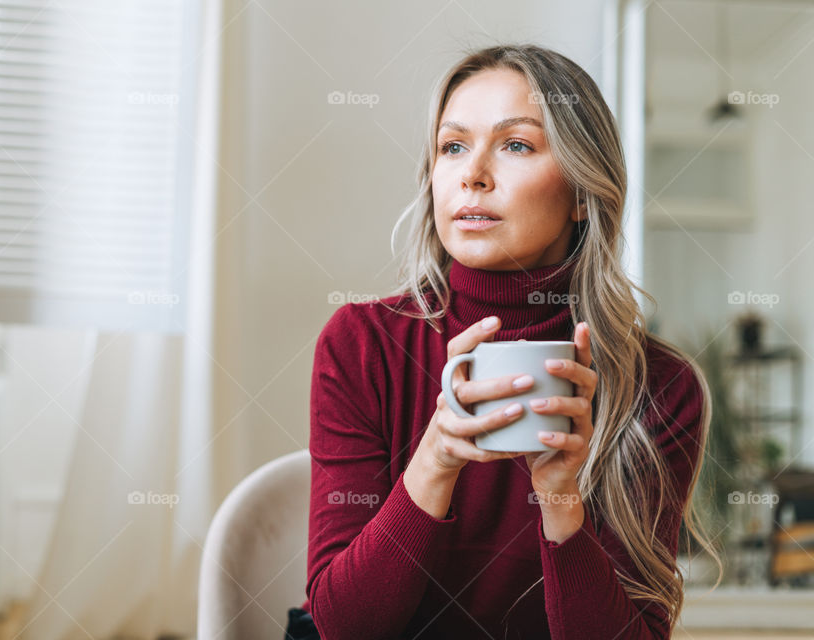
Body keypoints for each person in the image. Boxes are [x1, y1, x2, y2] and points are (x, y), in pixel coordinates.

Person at [285, 43, 720, 640]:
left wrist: (561, 500)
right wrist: (436, 458)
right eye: (452, 146)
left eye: (516, 145)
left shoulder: (661, 386)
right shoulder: (362, 345)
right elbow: (343, 627)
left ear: (581, 195)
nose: (472, 174)